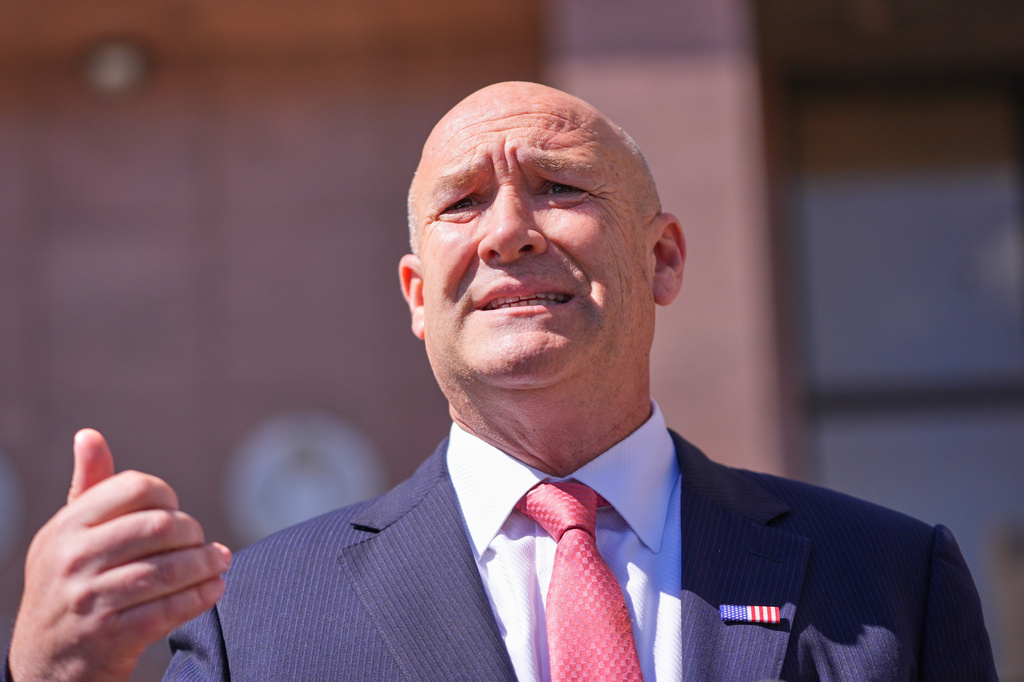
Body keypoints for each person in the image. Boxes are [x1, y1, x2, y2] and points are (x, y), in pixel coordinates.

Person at [4, 81, 996, 681]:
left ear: (662, 258)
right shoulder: (251, 622)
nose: (509, 228)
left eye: (560, 187)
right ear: (416, 296)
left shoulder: (891, 583)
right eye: (462, 201)